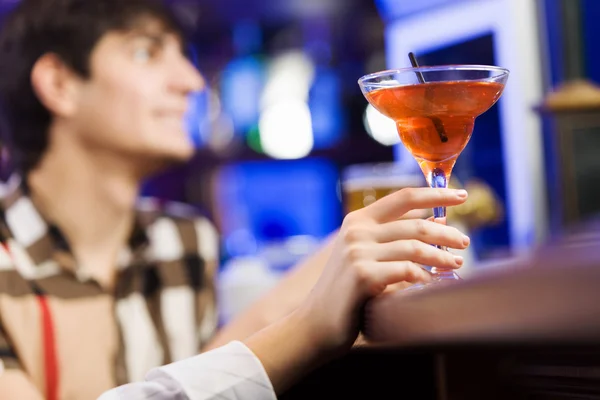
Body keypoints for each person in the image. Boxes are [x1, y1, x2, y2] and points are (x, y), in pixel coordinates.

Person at [0, 0, 470, 399]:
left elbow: (200, 375)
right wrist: (309, 328)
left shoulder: (182, 240)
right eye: (146, 53)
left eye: (183, 57)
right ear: (59, 83)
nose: (190, 81)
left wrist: (365, 255)